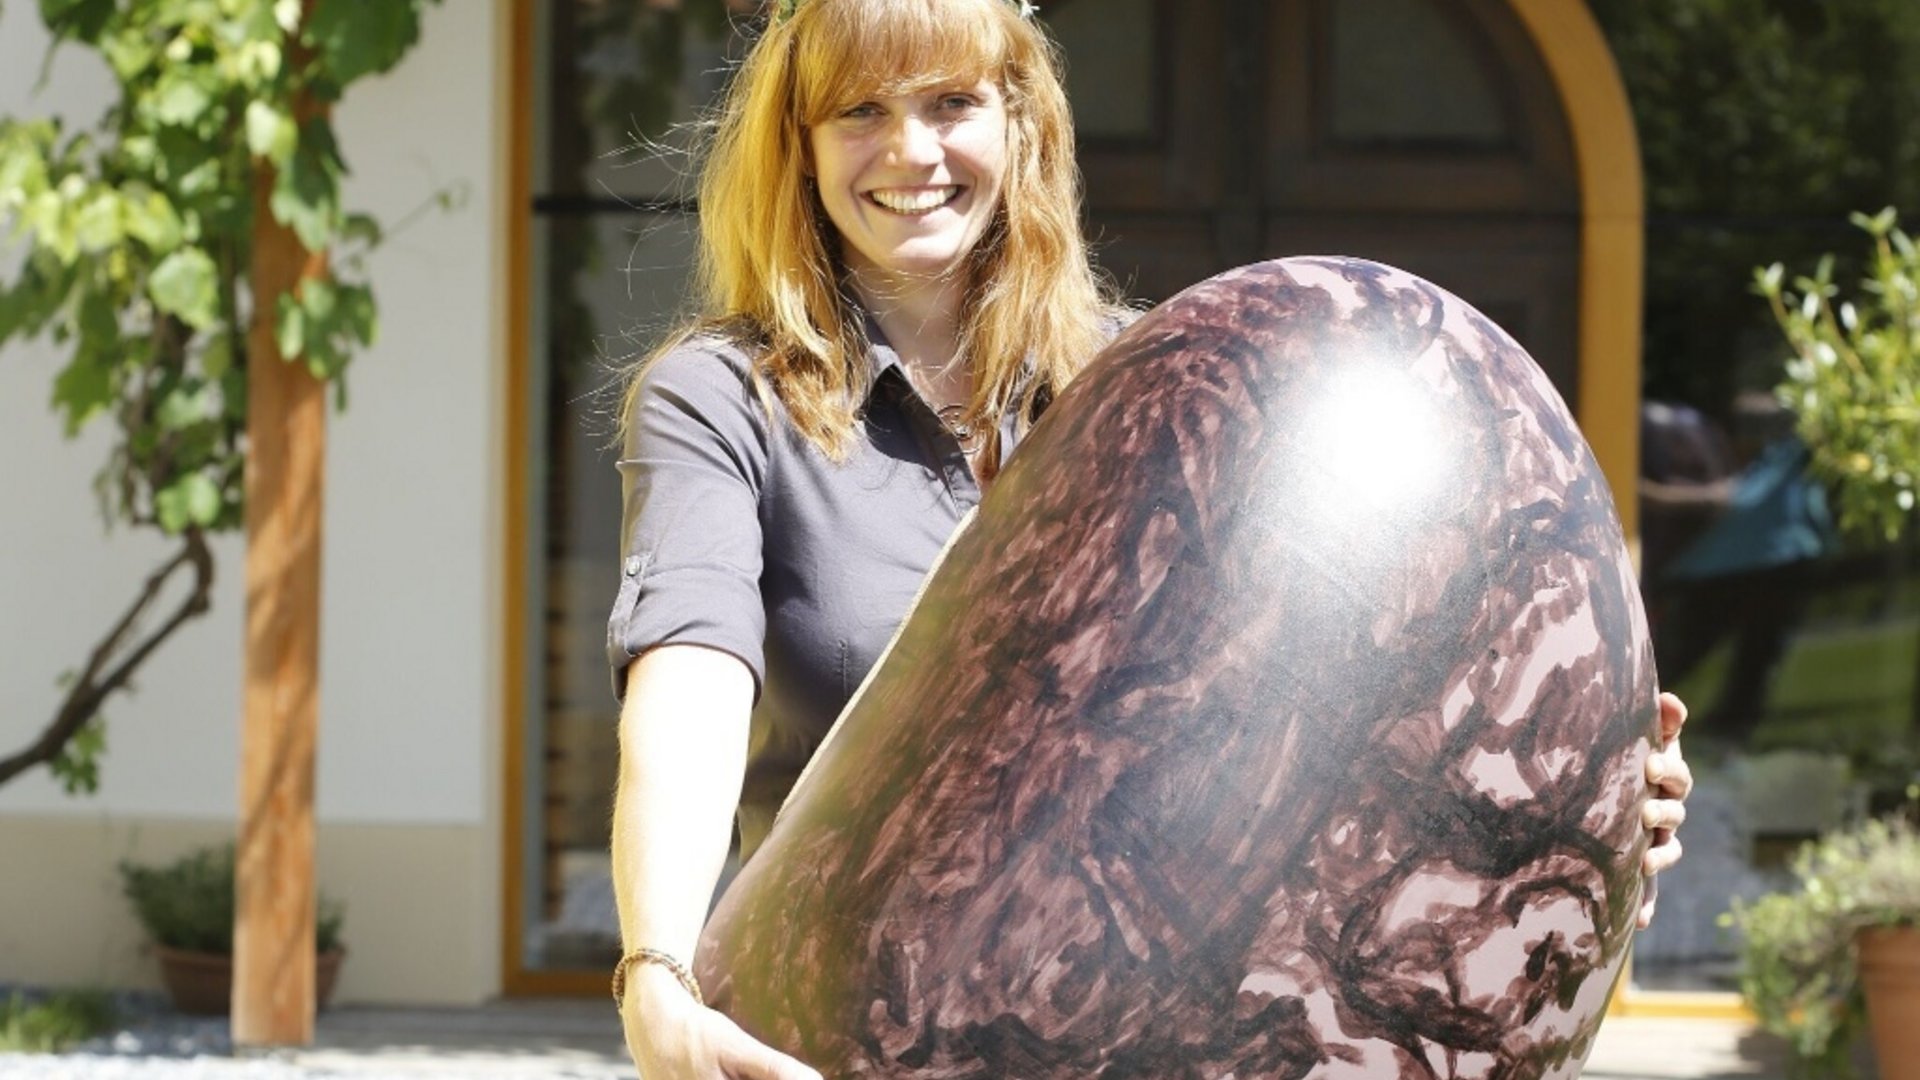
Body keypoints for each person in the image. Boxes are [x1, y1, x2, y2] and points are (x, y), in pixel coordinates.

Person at [603, 2, 1694, 1077]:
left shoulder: (1166, 386)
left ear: (1021, 119)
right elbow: (690, 687)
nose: (911, 150)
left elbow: (1328, 699)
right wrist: (654, 968)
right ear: (797, 145)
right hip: (850, 1045)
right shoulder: (721, 402)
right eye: (860, 112)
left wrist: (1573, 793)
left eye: (951, 102)